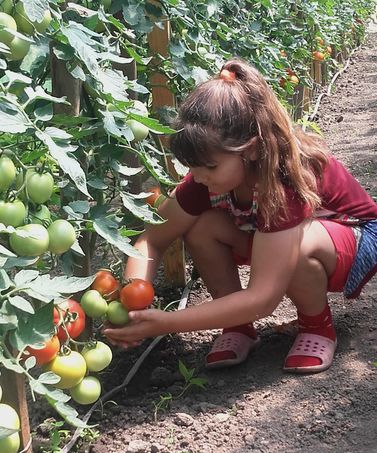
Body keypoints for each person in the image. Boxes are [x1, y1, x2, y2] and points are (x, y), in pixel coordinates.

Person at [103, 58, 377, 373]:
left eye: (209, 167)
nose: (198, 176)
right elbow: (152, 239)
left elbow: (264, 298)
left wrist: (166, 323)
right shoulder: (206, 177)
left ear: (250, 149)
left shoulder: (283, 181)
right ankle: (238, 327)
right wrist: (134, 298)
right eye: (192, 166)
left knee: (300, 244)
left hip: (356, 239)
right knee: (201, 227)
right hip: (277, 238)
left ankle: (317, 325)